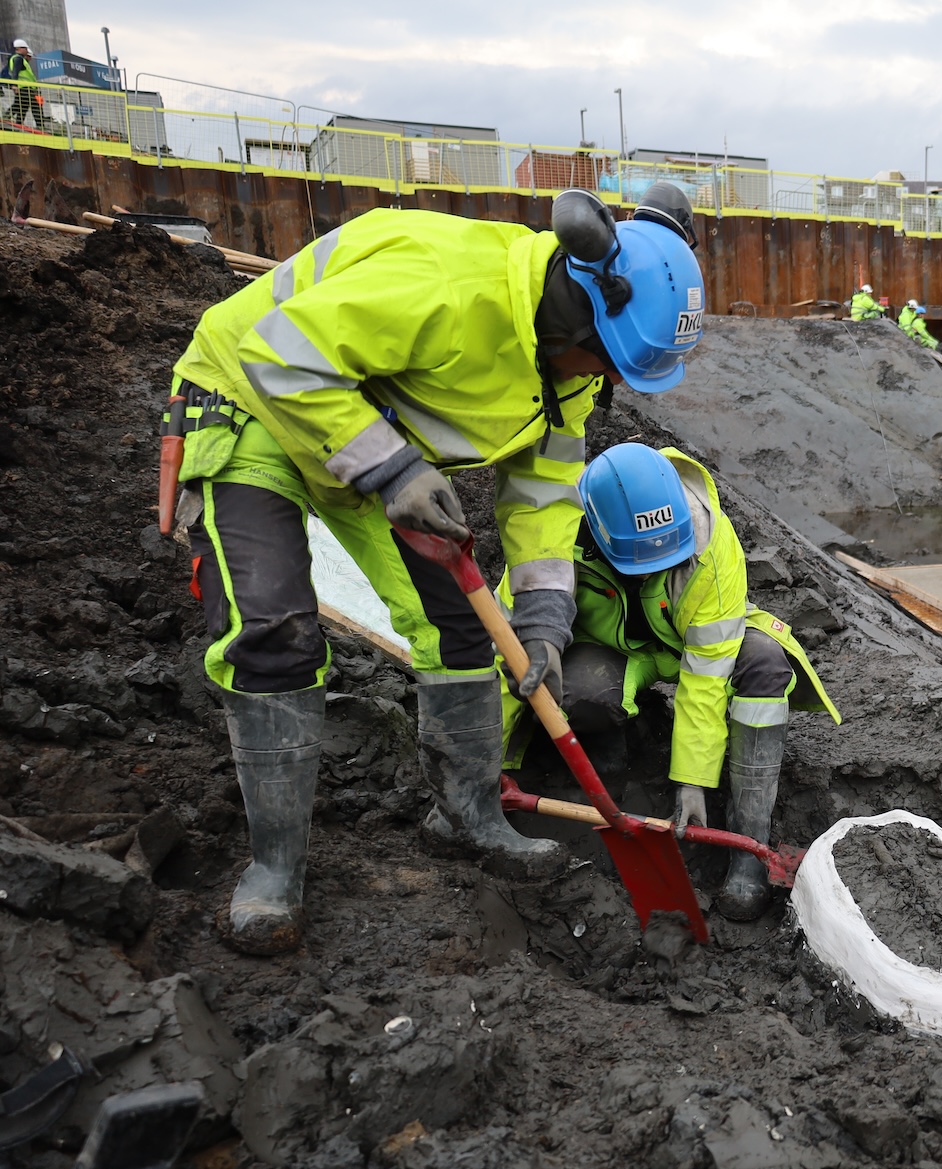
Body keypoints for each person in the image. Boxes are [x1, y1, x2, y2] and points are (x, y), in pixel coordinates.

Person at [166, 183, 704, 955]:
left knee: (459, 634)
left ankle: (468, 818)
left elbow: (545, 489)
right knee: (275, 630)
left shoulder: (574, 369)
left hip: (363, 434)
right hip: (254, 400)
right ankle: (274, 870)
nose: (608, 380)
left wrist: (546, 622)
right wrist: (392, 472)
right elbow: (280, 353)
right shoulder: (451, 290)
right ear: (575, 305)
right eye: (609, 361)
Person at [501, 441, 839, 922]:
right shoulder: (552, 538)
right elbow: (506, 655)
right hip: (611, 650)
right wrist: (489, 760)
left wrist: (692, 784)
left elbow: (705, 677)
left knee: (764, 663)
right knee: (580, 693)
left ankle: (747, 850)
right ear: (597, 534)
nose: (658, 571)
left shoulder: (711, 543)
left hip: (691, 648)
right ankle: (610, 776)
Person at [5, 39, 40, 130]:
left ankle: (18, 124)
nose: (27, 50)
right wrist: (14, 84)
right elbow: (15, 72)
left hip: (26, 88)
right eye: (25, 48)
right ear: (20, 48)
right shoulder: (18, 59)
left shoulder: (19, 59)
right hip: (24, 88)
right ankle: (40, 125)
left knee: (22, 107)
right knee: (33, 106)